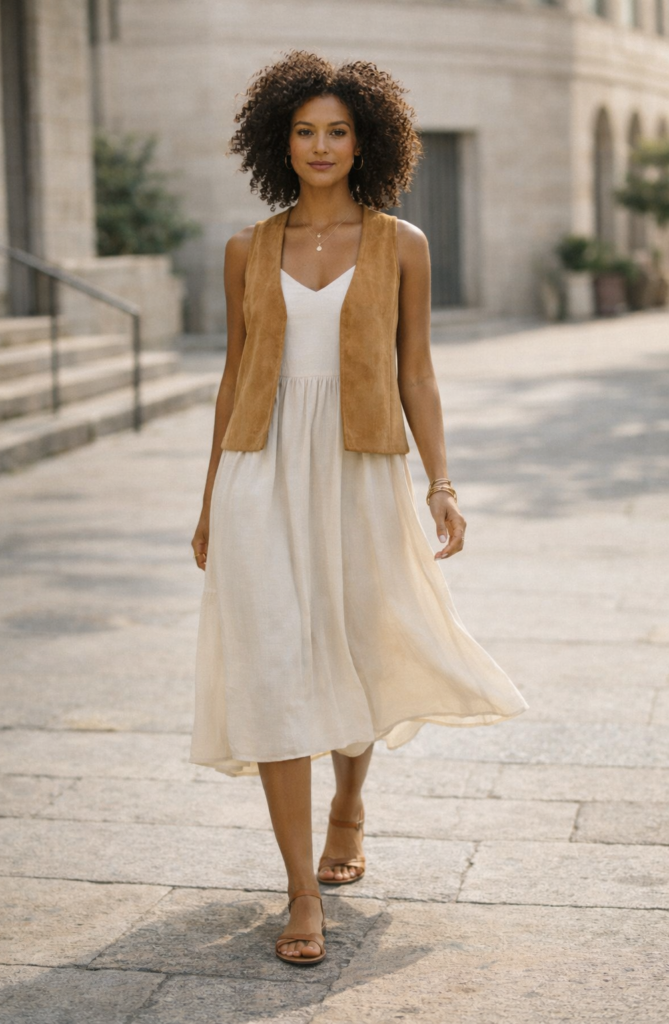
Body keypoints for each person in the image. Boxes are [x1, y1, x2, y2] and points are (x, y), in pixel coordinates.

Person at [189, 50, 529, 967]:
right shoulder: (246, 248)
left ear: (365, 140)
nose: (320, 145)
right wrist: (209, 501)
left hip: (359, 464)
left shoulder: (400, 244)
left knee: (355, 641)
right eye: (304, 130)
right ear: (279, 142)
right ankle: (300, 892)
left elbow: (415, 367)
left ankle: (349, 802)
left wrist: (441, 482)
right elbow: (233, 376)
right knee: (273, 662)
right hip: (260, 471)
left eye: (337, 130)